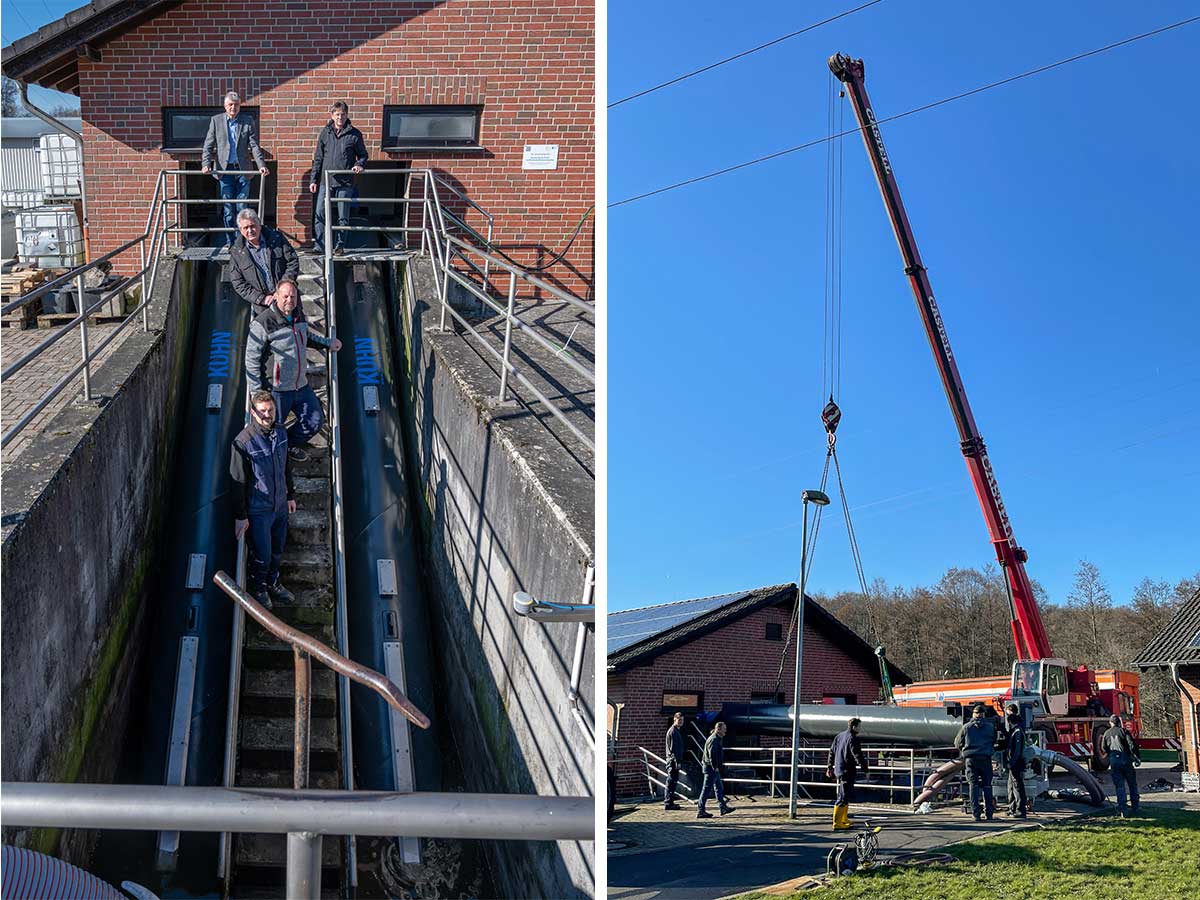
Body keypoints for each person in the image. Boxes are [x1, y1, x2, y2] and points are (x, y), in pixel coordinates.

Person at [245, 278, 342, 462]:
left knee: (314, 421)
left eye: (293, 296)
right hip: (277, 389)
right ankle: (274, 461)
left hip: (300, 385)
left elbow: (306, 336)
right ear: (276, 297)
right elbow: (251, 360)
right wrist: (257, 393)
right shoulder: (263, 323)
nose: (289, 299)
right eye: (285, 296)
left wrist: (328, 343)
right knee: (273, 429)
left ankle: (288, 445)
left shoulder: (298, 314)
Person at [230, 390, 296, 609]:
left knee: (278, 549)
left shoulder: (281, 432)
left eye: (271, 410)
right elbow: (237, 482)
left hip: (279, 506)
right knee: (263, 554)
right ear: (253, 412)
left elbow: (286, 466)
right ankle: (258, 587)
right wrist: (241, 516)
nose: (268, 415)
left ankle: (273, 583)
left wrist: (290, 495)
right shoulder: (243, 442)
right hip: (258, 510)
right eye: (263, 412)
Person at [202, 92, 270, 246]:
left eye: (236, 104)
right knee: (228, 209)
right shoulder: (216, 121)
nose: (233, 107)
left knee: (242, 207)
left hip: (243, 170)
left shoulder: (247, 121)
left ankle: (243, 241)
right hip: (224, 171)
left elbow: (254, 146)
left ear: (240, 106)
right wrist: (205, 164)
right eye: (230, 105)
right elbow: (208, 145)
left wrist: (261, 165)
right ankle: (230, 241)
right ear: (225, 106)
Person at [309, 101, 368, 255]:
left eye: (343, 114)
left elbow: (363, 155)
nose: (340, 117)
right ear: (332, 115)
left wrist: (359, 164)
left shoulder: (354, 134)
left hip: (345, 182)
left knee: (343, 216)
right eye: (337, 114)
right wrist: (313, 180)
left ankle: (340, 246)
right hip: (325, 181)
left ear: (347, 115)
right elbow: (318, 158)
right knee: (320, 213)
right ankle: (320, 245)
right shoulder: (325, 133)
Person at [229, 209, 299, 310]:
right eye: (246, 228)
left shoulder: (276, 238)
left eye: (252, 226)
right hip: (263, 307)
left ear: (259, 225)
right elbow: (238, 282)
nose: (250, 230)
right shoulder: (237, 253)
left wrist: (282, 290)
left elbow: (292, 262)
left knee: (294, 326)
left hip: (288, 301)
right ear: (241, 230)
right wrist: (261, 299)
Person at [954, 703, 998, 821]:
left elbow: (957, 743)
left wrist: (964, 750)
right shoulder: (990, 727)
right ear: (983, 715)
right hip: (985, 759)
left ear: (974, 714)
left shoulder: (966, 727)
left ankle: (976, 814)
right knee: (987, 786)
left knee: (973, 786)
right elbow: (994, 740)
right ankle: (989, 814)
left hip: (971, 759)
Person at [826, 716, 869, 831]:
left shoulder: (840, 736)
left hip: (839, 769)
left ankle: (843, 819)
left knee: (845, 794)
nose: (860, 728)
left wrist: (829, 767)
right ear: (854, 727)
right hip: (847, 770)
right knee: (843, 796)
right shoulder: (852, 738)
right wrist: (865, 769)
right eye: (859, 726)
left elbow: (831, 751)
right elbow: (857, 755)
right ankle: (837, 822)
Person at [1102, 714, 1141, 817]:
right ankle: (1135, 807)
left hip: (1114, 762)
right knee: (1132, 785)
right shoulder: (1124, 731)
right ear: (1119, 722)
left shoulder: (1106, 734)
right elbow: (1132, 745)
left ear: (1110, 723)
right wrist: (1137, 757)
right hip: (1126, 761)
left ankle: (1123, 809)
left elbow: (1104, 748)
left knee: (1120, 787)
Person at [697, 721, 735, 818]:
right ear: (718, 729)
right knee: (706, 789)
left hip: (712, 768)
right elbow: (712, 755)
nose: (725, 731)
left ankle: (723, 807)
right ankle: (701, 810)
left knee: (719, 788)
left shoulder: (716, 739)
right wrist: (715, 767)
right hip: (711, 768)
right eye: (724, 729)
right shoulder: (714, 740)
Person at [1004, 703, 1029, 818]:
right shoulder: (1017, 729)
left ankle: (1020, 810)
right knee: (1011, 786)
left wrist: (1011, 763)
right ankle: (1012, 808)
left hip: (1016, 763)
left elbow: (1017, 750)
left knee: (1017, 786)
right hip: (1014, 762)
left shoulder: (1017, 731)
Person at [664, 712, 685, 810]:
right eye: (679, 720)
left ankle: (670, 801)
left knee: (672, 781)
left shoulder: (676, 731)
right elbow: (674, 749)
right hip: (672, 761)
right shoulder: (673, 731)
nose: (681, 722)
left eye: (682, 720)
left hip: (673, 760)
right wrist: (677, 762)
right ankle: (668, 802)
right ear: (674, 720)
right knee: (671, 781)